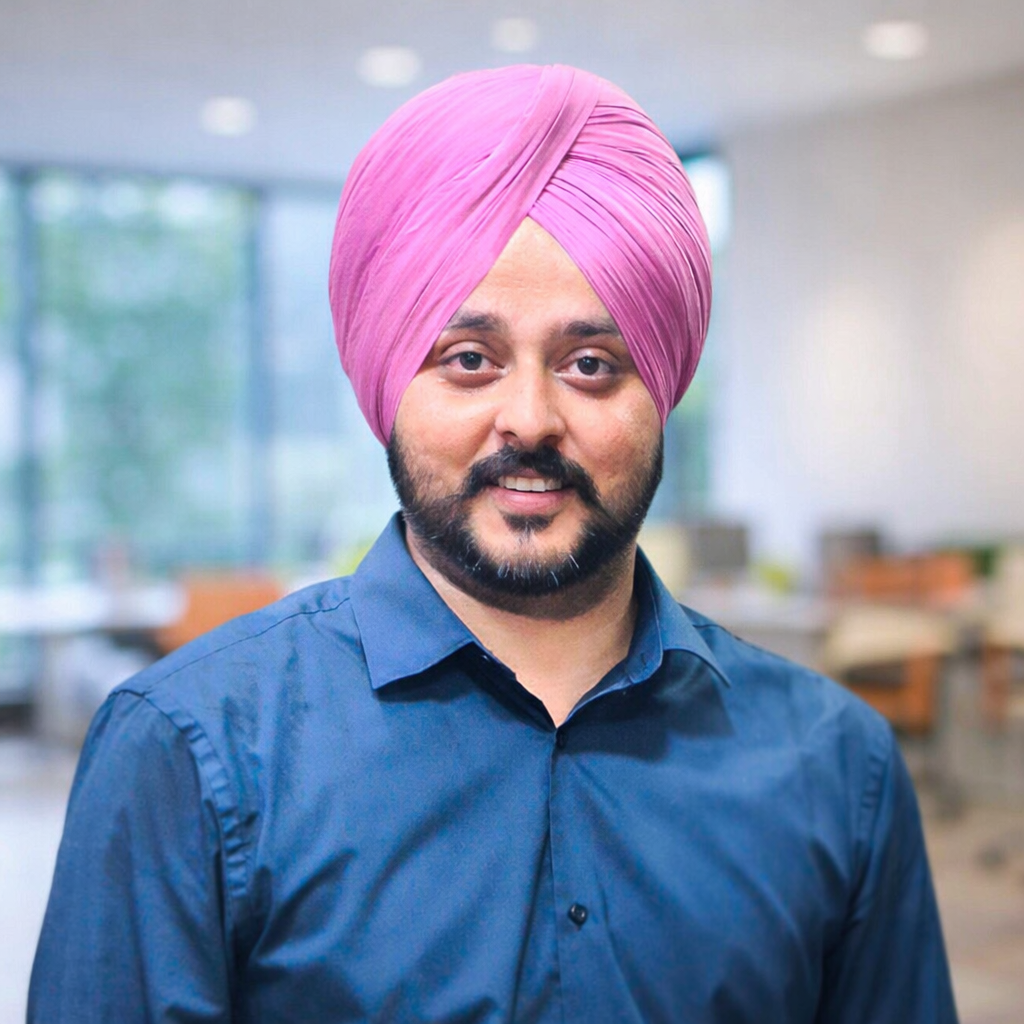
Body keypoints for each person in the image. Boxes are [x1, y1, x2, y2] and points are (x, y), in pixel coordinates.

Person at [29, 65, 957, 1023]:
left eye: (590, 365)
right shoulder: (189, 751)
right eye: (469, 360)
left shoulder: (835, 766)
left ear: (663, 392)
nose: (531, 419)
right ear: (391, 384)